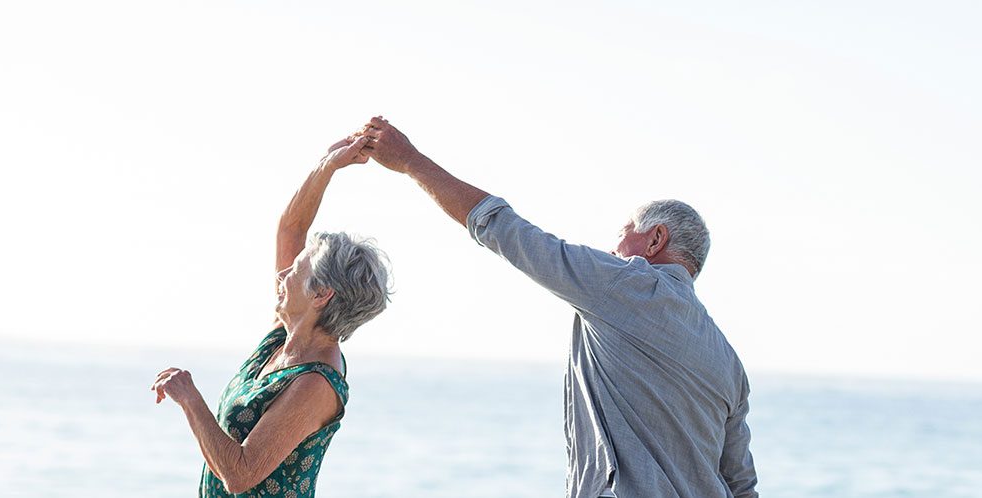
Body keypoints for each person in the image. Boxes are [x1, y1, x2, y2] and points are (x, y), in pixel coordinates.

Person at [359, 116, 758, 498]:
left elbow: (505, 230)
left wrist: (410, 161)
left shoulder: (624, 285)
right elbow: (740, 485)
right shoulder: (729, 361)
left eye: (622, 236)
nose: (611, 251)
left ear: (655, 240)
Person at [151, 134, 390, 497]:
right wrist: (326, 167)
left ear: (321, 295)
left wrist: (190, 397)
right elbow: (291, 230)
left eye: (296, 270)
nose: (282, 275)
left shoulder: (316, 383)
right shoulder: (284, 335)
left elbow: (240, 473)